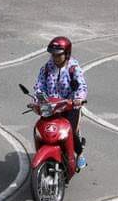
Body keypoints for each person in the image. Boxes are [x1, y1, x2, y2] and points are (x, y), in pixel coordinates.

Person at [34, 36, 89, 170]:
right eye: (53, 55)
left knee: (71, 132)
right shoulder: (46, 68)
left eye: (58, 55)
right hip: (50, 107)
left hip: (69, 106)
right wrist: (36, 99)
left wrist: (78, 98)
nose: (55, 58)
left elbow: (81, 86)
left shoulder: (73, 68)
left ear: (67, 53)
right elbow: (39, 86)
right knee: (41, 129)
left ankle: (79, 153)